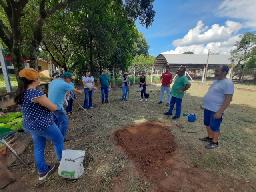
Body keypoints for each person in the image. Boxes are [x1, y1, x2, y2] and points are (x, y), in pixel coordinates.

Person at [14, 68, 64, 181]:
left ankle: (42, 171)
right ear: (35, 80)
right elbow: (53, 107)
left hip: (31, 125)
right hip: (44, 124)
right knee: (59, 140)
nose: (39, 80)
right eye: (38, 78)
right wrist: (53, 103)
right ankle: (63, 162)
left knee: (39, 147)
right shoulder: (36, 93)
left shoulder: (22, 93)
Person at [200, 65, 234, 149]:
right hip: (208, 107)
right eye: (215, 71)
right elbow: (211, 93)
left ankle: (215, 142)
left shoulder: (228, 83)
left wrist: (220, 112)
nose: (215, 73)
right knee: (207, 123)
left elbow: (228, 99)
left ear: (224, 72)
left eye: (217, 71)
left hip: (216, 109)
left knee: (214, 126)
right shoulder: (216, 81)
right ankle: (209, 137)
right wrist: (205, 104)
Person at [48, 71, 81, 139]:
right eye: (71, 79)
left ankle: (55, 136)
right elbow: (77, 91)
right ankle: (61, 138)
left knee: (55, 121)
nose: (71, 81)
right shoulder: (64, 84)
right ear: (67, 78)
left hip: (49, 105)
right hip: (57, 106)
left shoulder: (54, 81)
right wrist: (80, 91)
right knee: (64, 122)